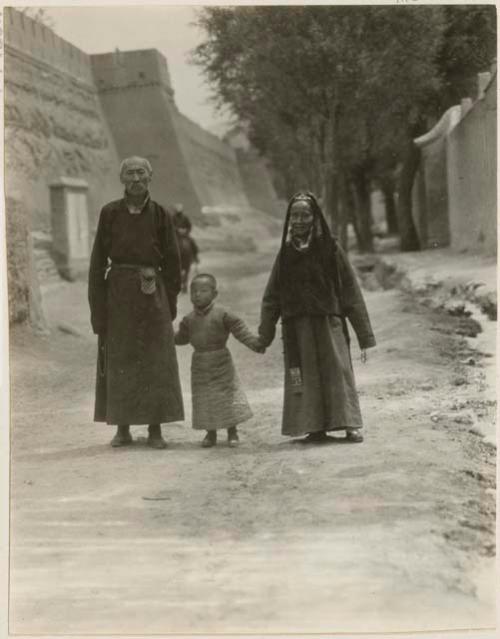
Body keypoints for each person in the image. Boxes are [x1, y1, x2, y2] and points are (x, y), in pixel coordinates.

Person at [258, 191, 376, 443]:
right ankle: (315, 427)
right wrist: (264, 333)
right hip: (298, 327)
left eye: (305, 215)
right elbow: (272, 296)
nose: (299, 221)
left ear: (315, 217)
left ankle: (350, 424)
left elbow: (350, 290)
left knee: (337, 370)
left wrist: (363, 333)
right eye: (294, 216)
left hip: (328, 322)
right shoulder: (286, 254)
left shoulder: (330, 249)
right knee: (306, 375)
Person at [88, 156, 184, 449]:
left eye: (141, 172)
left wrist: (168, 300)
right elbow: (96, 262)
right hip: (117, 292)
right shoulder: (109, 213)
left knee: (156, 358)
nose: (136, 178)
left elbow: (173, 260)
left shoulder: (161, 214)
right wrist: (98, 309)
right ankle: (122, 427)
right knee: (121, 356)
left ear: (150, 177)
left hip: (151, 290)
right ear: (122, 179)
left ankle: (155, 429)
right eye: (129, 173)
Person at [174, 273, 264, 448]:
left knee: (226, 396)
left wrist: (256, 344)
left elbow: (241, 331)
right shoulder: (189, 320)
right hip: (199, 364)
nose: (197, 295)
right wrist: (165, 336)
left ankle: (232, 431)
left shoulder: (223, 314)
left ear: (214, 294)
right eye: (193, 291)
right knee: (204, 398)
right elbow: (181, 338)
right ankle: (211, 433)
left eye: (203, 290)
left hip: (221, 361)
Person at [172, 203, 199, 293]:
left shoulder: (185, 218)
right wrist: (177, 230)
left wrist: (185, 230)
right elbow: (170, 227)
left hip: (184, 235)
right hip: (175, 236)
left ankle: (195, 257)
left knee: (192, 242)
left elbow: (189, 226)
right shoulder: (172, 218)